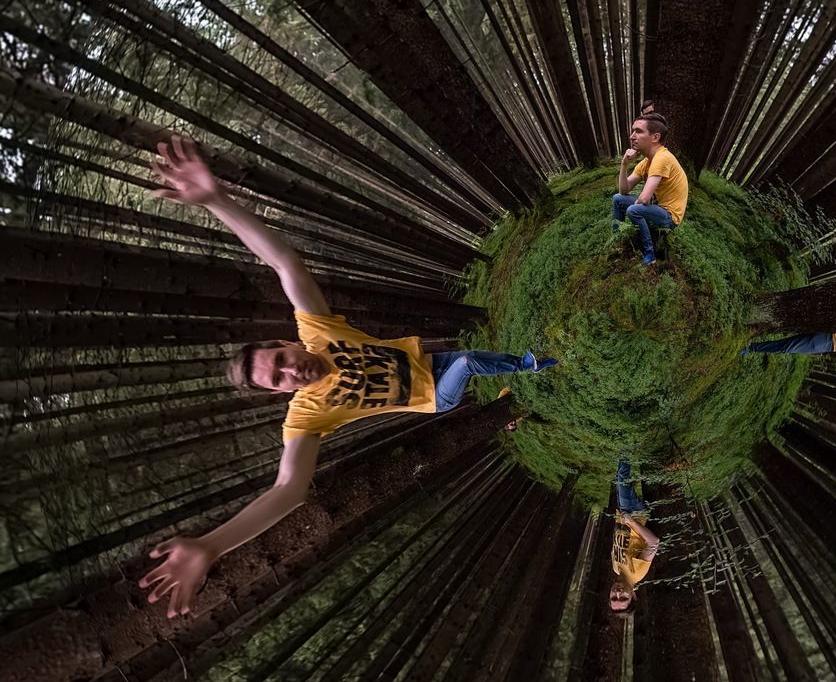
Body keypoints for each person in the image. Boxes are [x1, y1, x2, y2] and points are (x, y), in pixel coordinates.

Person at [138, 134, 555, 618]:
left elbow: (283, 262)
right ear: (280, 392)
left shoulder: (317, 330)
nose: (289, 371)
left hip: (425, 360)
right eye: (278, 380)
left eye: (280, 359)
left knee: (468, 355)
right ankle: (529, 365)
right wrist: (212, 545)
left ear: (286, 341)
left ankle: (522, 366)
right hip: (433, 397)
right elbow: (288, 491)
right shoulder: (307, 415)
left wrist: (217, 200)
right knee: (466, 364)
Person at [612, 110, 688, 264]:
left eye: (638, 131)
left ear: (655, 137)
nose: (632, 136)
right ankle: (617, 239)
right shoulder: (647, 161)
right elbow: (623, 190)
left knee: (634, 209)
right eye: (633, 131)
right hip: (656, 208)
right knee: (618, 199)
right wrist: (624, 163)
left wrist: (633, 207)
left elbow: (644, 199)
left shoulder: (662, 158)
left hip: (669, 216)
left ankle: (650, 254)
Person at [610, 457, 660, 613]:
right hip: (634, 514)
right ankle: (627, 442)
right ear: (633, 596)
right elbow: (654, 543)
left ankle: (628, 445)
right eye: (623, 598)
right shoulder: (637, 573)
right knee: (622, 476)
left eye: (613, 598)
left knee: (622, 478)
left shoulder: (616, 569)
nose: (617, 593)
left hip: (622, 513)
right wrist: (632, 522)